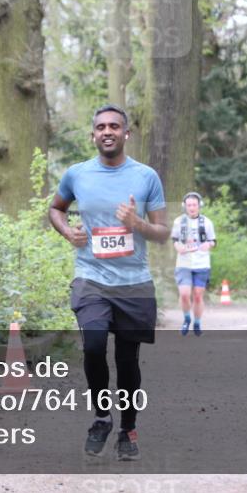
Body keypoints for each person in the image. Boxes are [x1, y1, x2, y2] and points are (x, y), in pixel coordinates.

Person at [49, 105, 169, 461]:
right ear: (93, 135)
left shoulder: (146, 176)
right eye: (100, 126)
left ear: (126, 134)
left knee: (127, 359)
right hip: (91, 279)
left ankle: (127, 429)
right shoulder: (77, 174)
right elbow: (56, 208)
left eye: (114, 126)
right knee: (92, 346)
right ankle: (102, 416)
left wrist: (138, 223)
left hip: (134, 283)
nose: (107, 131)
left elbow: (162, 232)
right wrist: (67, 231)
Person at [171, 192, 216, 336]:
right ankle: (186, 319)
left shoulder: (207, 222)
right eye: (189, 205)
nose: (192, 207)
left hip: (202, 263)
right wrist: (178, 247)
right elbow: (175, 240)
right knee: (184, 294)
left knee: (197, 295)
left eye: (194, 205)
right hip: (183, 263)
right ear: (185, 206)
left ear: (199, 206)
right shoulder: (179, 221)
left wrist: (208, 245)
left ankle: (197, 322)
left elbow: (213, 241)